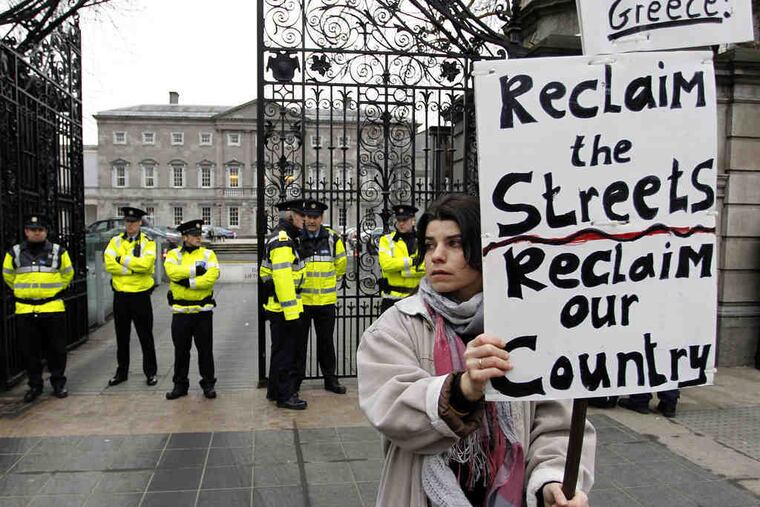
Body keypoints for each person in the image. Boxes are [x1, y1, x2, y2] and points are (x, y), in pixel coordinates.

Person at [358, 194, 595, 507]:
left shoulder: (524, 327)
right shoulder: (398, 325)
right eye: (430, 245)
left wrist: (550, 480)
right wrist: (463, 389)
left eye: (454, 243)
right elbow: (391, 408)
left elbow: (556, 423)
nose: (437, 256)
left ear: (485, 250)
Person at [3, 214, 74, 402]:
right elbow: (8, 276)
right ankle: (35, 385)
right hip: (26, 309)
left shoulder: (58, 251)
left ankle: (58, 383)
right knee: (29, 351)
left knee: (57, 349)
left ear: (46, 232)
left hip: (52, 307)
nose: (37, 233)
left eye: (40, 230)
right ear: (26, 231)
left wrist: (51, 290)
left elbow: (68, 274)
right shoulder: (15, 252)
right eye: (33, 230)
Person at [163, 219, 220, 400]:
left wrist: (188, 282)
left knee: (205, 350)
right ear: (184, 237)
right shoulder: (173, 254)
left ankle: (208, 384)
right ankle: (180, 385)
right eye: (194, 235)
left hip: (202, 311)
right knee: (181, 351)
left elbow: (211, 277)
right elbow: (171, 272)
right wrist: (197, 270)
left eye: (199, 235)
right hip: (180, 311)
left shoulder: (209, 254)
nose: (198, 238)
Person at [260, 199, 308, 410]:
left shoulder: (284, 238)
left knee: (279, 351)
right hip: (284, 308)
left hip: (279, 306)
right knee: (286, 353)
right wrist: (292, 313)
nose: (304, 219)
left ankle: (274, 390)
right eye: (300, 215)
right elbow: (283, 279)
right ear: (290, 216)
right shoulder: (283, 240)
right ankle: (285, 395)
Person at [103, 207, 158, 387]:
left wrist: (122, 260)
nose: (130, 225)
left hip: (140, 295)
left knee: (145, 336)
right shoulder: (115, 241)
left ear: (140, 223)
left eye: (133, 222)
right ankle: (122, 372)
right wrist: (132, 267)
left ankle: (150, 372)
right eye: (127, 221)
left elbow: (147, 265)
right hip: (121, 296)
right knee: (122, 336)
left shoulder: (148, 242)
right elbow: (109, 265)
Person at [298, 198, 347, 395]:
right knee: (299, 343)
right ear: (304, 218)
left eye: (315, 217)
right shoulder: (297, 238)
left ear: (322, 218)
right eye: (308, 217)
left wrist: (328, 283)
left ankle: (330, 379)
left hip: (326, 301)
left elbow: (341, 264)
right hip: (303, 301)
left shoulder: (332, 238)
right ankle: (296, 380)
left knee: (326, 342)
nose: (311, 221)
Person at [378, 204, 425, 314]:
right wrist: (412, 262)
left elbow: (427, 266)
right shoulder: (387, 240)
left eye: (405, 220)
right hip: (391, 299)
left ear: (413, 221)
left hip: (416, 298)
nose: (401, 223)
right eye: (399, 220)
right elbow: (386, 265)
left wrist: (401, 270)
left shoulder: (423, 241)